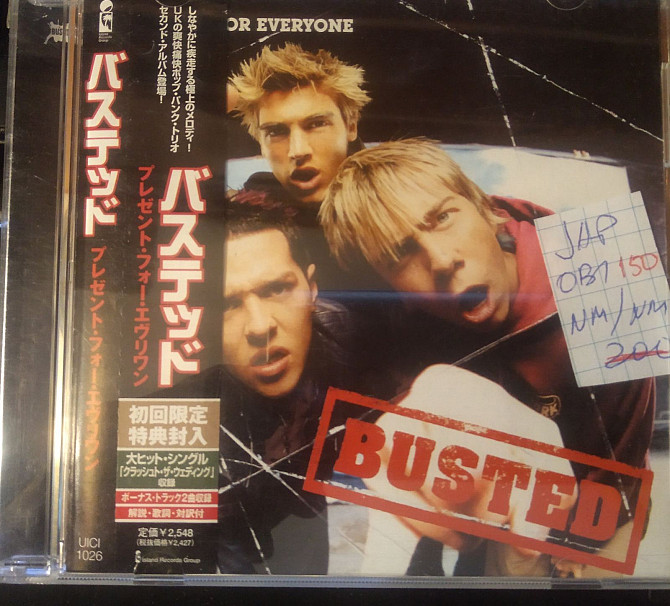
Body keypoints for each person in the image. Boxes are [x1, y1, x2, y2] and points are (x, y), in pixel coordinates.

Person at [319, 138, 655, 577]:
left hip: (606, 508)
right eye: (399, 254)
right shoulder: (404, 317)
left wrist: (578, 547)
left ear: (485, 208)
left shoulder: (602, 271)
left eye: (443, 218)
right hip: (497, 508)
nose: (441, 260)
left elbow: (626, 451)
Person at [206, 198, 358, 574]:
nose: (260, 327)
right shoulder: (196, 403)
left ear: (312, 287)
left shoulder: (344, 335)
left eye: (276, 289)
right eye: (227, 304)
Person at [228, 43, 374, 293]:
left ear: (351, 127)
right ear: (260, 142)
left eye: (316, 124)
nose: (297, 150)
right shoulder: (258, 201)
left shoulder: (403, 197)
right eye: (276, 132)